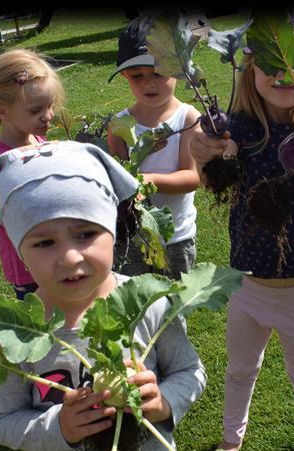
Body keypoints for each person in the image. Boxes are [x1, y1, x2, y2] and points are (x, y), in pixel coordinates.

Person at [0, 141, 207, 451]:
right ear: (17, 250)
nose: (69, 256)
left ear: (113, 231)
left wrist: (163, 402)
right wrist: (58, 425)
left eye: (86, 233)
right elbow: (0, 421)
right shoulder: (13, 333)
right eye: (43, 242)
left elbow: (190, 372)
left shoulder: (149, 301)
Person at [188, 10, 294, 451]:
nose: (286, 75)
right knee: (240, 370)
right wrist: (201, 150)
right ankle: (231, 442)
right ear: (250, 69)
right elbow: (210, 175)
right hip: (247, 284)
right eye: (273, 64)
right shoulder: (237, 128)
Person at [0, 47, 66, 299]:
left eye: (49, 105)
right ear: (0, 111)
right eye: (36, 110)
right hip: (29, 267)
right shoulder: (3, 161)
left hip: (50, 255)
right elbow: (19, 215)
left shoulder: (35, 137)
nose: (48, 115)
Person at [106, 15, 201, 280]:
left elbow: (193, 177)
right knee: (133, 306)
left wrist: (148, 181)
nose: (149, 82)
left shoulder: (188, 118)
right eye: (138, 76)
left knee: (172, 309)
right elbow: (117, 177)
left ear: (179, 69)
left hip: (175, 238)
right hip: (132, 235)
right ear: (125, 75)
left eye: (159, 72)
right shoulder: (119, 123)